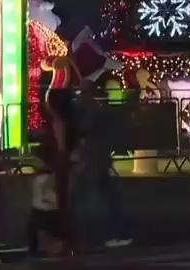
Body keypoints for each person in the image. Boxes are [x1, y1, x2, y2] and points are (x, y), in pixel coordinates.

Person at [73, 80, 131, 248]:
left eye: (82, 92)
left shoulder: (93, 111)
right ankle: (116, 232)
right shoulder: (95, 109)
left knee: (102, 196)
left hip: (95, 158)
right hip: (96, 157)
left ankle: (116, 233)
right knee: (106, 196)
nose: (80, 95)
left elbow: (84, 129)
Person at [43, 88, 78, 256]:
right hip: (65, 162)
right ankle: (66, 241)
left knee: (60, 203)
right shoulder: (68, 119)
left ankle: (63, 242)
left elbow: (61, 145)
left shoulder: (58, 121)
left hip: (61, 163)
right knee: (64, 203)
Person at [27, 144, 62, 258]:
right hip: (46, 210)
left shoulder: (45, 177)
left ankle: (36, 253)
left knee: (34, 228)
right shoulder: (47, 176)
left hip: (44, 211)